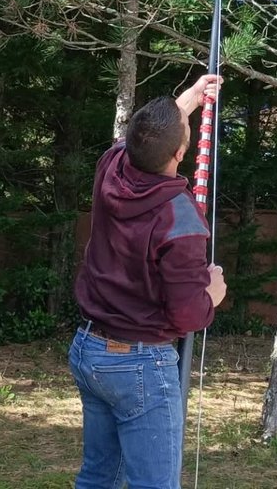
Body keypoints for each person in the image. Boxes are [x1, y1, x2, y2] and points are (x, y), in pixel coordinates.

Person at [69, 74, 227, 489]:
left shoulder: (112, 166)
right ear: (180, 153)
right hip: (138, 364)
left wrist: (188, 101)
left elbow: (143, 138)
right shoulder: (180, 218)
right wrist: (211, 294)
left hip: (89, 350)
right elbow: (188, 313)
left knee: (98, 479)